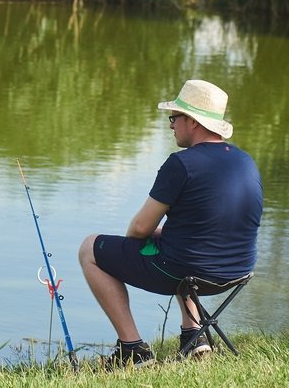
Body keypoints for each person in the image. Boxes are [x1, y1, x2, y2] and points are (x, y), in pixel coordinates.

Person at [78, 78, 263, 366]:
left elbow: (139, 229)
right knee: (176, 242)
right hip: (237, 271)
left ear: (192, 121)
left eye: (174, 118)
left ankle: (133, 350)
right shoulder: (246, 162)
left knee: (89, 248)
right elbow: (226, 224)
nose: (170, 125)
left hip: (185, 269)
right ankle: (194, 337)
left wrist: (144, 238)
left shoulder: (181, 164)